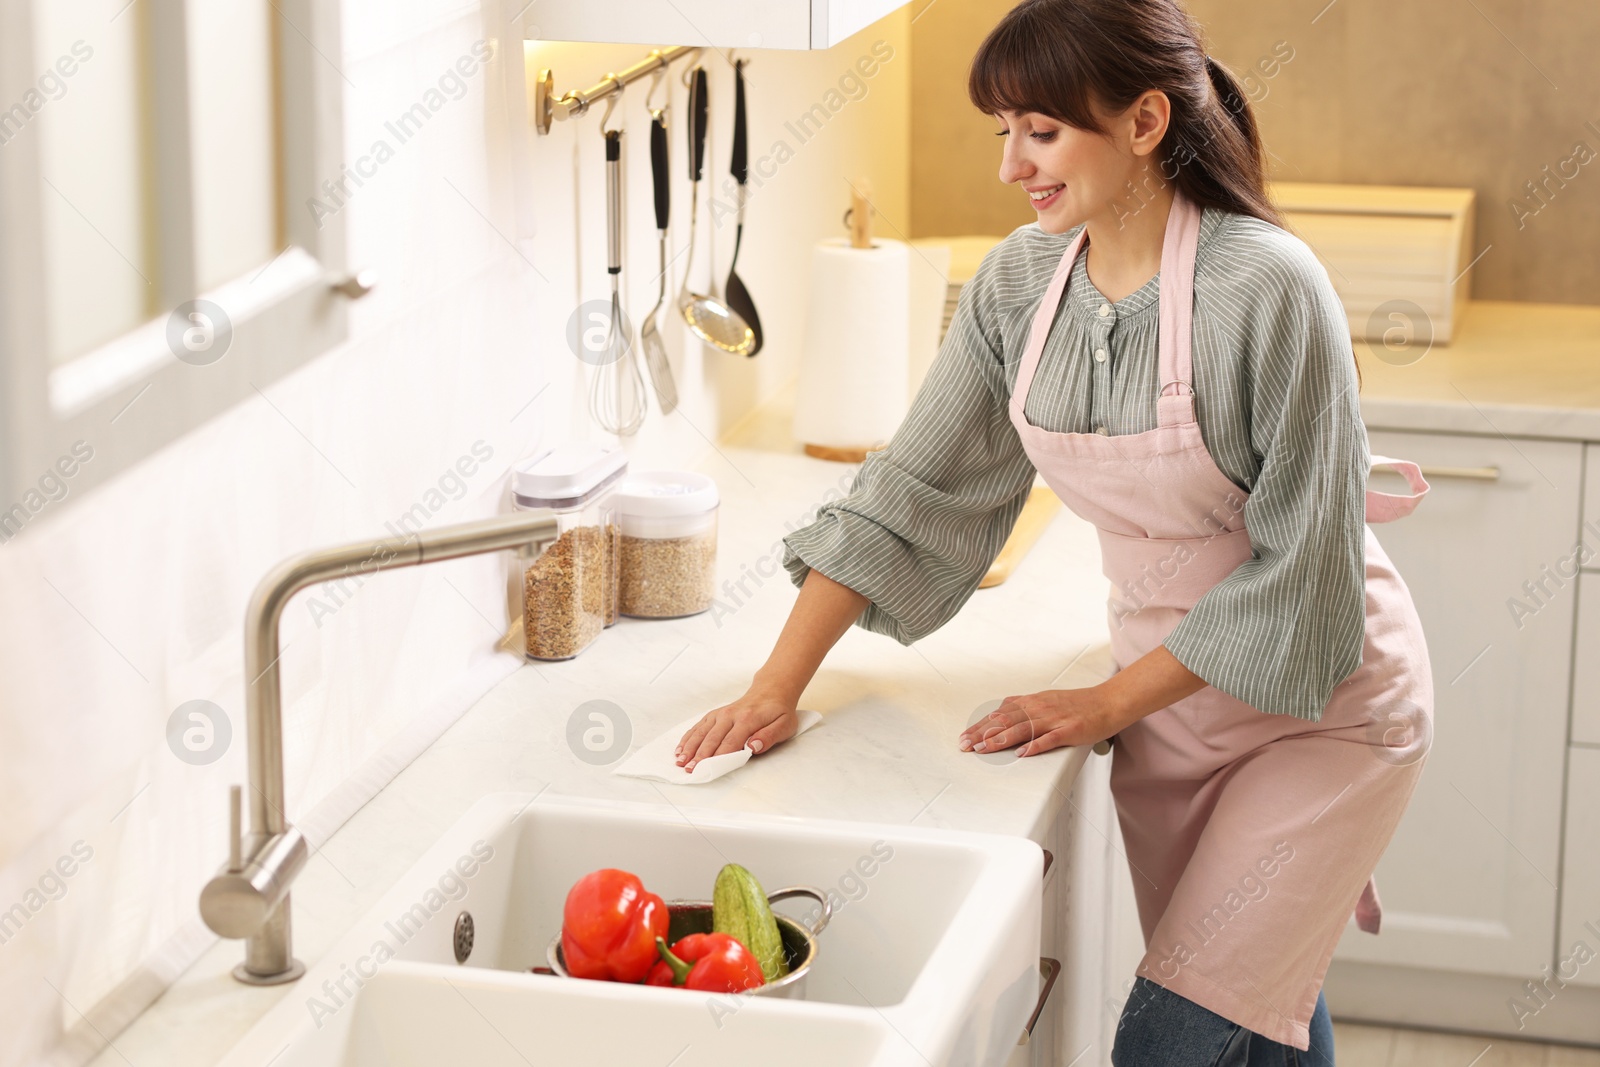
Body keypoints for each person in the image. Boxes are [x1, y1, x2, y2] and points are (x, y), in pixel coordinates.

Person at [676, 0, 1435, 1061]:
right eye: (1004, 132)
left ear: (1143, 123)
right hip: (1172, 709)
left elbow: (1305, 574)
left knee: (1171, 1034)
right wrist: (774, 687)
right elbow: (908, 492)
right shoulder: (1019, 285)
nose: (1010, 167)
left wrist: (1106, 702)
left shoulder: (1266, 287)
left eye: (1041, 132)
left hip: (1322, 708)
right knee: (1254, 1008)